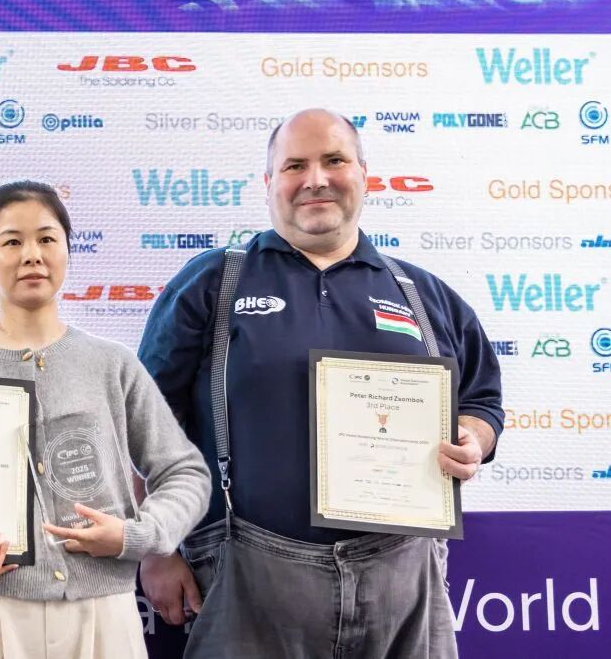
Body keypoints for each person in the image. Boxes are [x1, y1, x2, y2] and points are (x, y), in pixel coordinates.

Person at [138, 109, 503, 659]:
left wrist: (472, 437)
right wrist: (156, 549)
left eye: (334, 160)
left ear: (363, 175)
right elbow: (144, 423)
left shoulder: (424, 294)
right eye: (294, 166)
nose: (315, 179)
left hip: (404, 574)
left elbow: (482, 400)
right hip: (249, 579)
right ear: (268, 183)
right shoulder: (213, 282)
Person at [0, 180, 211, 659]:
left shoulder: (111, 363)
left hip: (102, 613)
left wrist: (136, 535)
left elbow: (186, 473)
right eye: (12, 241)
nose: (32, 255)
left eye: (47, 238)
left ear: (67, 250)